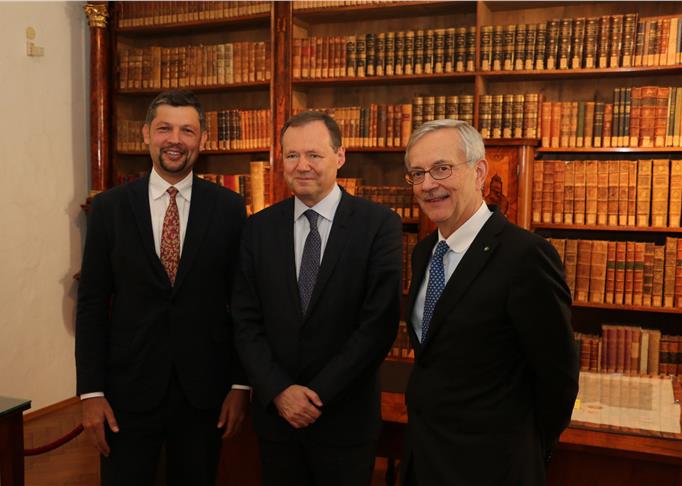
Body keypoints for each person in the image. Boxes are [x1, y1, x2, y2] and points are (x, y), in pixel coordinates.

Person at [75, 90, 249, 486]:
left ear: (202, 140)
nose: (176, 139)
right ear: (145, 135)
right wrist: (90, 392)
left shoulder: (229, 208)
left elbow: (242, 303)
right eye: (165, 128)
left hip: (204, 393)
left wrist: (241, 385)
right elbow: (91, 305)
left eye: (187, 130)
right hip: (127, 392)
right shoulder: (108, 209)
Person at [400, 119, 579, 486]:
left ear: (479, 171)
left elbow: (557, 376)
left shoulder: (525, 256)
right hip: (426, 457)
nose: (428, 184)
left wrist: (528, 448)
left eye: (441, 168)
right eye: (417, 173)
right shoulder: (423, 254)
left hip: (493, 466)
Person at [232, 111, 402, 486]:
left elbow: (378, 326)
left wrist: (315, 396)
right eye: (291, 156)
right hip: (277, 422)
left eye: (314, 154)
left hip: (345, 420)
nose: (302, 165)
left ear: (340, 156)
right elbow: (245, 322)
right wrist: (279, 391)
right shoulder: (258, 228)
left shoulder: (379, 225)